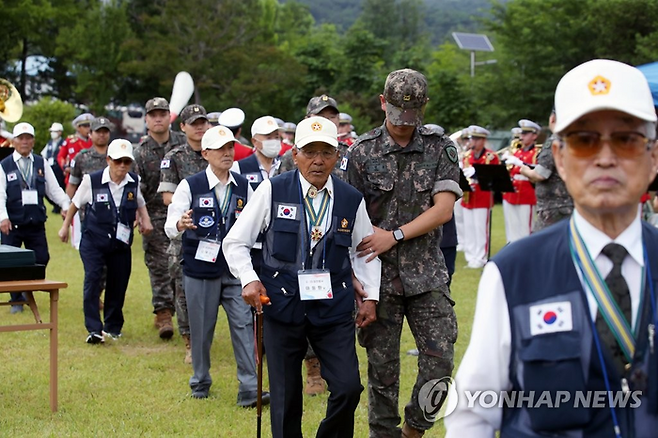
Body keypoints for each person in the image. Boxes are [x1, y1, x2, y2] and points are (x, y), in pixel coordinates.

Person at [445, 59, 658, 437]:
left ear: (653, 157)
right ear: (559, 157)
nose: (605, 157)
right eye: (583, 140)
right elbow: (473, 414)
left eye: (626, 139)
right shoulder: (513, 273)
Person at [223, 116, 381, 438]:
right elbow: (235, 242)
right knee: (285, 397)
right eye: (310, 152)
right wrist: (249, 279)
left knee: (349, 387)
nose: (318, 161)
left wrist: (372, 296)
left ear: (337, 156)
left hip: (332, 308)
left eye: (326, 152)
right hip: (281, 306)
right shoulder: (272, 190)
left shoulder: (351, 199)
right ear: (294, 155)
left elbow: (364, 251)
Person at [348, 68, 461, 438]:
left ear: (424, 106)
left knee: (440, 363)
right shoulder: (361, 153)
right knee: (383, 371)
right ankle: (383, 434)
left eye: (411, 116)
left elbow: (443, 209)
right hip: (376, 278)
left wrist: (394, 235)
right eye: (396, 114)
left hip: (427, 276)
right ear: (383, 103)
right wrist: (353, 280)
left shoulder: (439, 147)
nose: (402, 124)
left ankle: (414, 429)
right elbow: (346, 221)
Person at [164, 125, 267, 406]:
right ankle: (200, 381)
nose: (227, 153)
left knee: (244, 325)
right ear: (205, 152)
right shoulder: (190, 185)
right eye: (221, 148)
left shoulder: (245, 185)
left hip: (235, 271)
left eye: (231, 147)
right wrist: (180, 224)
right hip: (201, 270)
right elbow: (170, 226)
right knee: (201, 328)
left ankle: (249, 388)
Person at [59, 139, 152, 343]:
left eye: (126, 162)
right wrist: (65, 226)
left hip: (121, 243)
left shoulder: (133, 181)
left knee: (118, 283)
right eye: (118, 161)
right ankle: (93, 329)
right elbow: (75, 205)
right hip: (94, 240)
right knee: (93, 280)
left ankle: (113, 327)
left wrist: (145, 220)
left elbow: (140, 203)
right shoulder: (91, 181)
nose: (122, 166)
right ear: (108, 160)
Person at [158, 104, 211, 363]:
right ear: (183, 127)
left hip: (216, 233)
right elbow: (168, 197)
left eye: (203, 122)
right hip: (186, 230)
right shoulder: (175, 156)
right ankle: (190, 340)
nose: (200, 127)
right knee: (183, 288)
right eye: (194, 123)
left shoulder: (218, 151)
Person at [0, 122, 71, 314]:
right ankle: (16, 300)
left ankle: (26, 287)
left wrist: (65, 205)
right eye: (20, 138)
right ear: (13, 141)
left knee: (41, 258)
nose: (24, 142)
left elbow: (54, 190)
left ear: (33, 141)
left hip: (35, 221)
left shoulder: (41, 163)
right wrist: (3, 217)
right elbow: (0, 195)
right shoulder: (4, 165)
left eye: (28, 138)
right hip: (12, 223)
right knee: (10, 263)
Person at [133, 97, 187, 340]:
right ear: (146, 119)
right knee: (158, 266)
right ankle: (164, 313)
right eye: (153, 114)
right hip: (155, 216)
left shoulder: (184, 145)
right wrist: (138, 215)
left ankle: (184, 313)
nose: (158, 118)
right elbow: (136, 189)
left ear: (169, 117)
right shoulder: (140, 152)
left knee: (182, 266)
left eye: (162, 114)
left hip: (185, 216)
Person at [518, 109, 575, 230]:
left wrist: (525, 170)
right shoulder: (571, 139)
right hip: (568, 203)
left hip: (553, 208)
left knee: (542, 243)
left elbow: (541, 175)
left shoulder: (554, 141)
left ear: (552, 119)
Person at [461, 125, 500, 269]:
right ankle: (471, 256)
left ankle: (481, 257)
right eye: (472, 138)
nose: (473, 142)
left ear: (483, 140)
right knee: (469, 227)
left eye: (476, 139)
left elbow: (494, 177)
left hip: (483, 196)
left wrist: (476, 172)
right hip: (468, 196)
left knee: (480, 228)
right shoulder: (467, 156)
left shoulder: (491, 156)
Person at [501, 119, 541, 242]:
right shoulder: (516, 152)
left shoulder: (537, 153)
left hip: (526, 193)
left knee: (525, 229)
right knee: (511, 227)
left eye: (525, 134)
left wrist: (520, 163)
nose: (521, 136)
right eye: (521, 134)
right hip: (511, 192)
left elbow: (538, 170)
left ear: (534, 136)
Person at [230, 115, 281, 190]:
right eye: (268, 137)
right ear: (254, 141)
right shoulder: (238, 168)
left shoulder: (284, 166)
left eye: (276, 137)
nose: (273, 141)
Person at [57, 113, 94, 186]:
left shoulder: (93, 140)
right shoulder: (70, 140)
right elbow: (60, 156)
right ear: (78, 128)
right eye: (85, 126)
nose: (88, 129)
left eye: (89, 126)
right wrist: (65, 167)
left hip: (90, 176)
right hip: (73, 177)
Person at [41, 122, 65, 213]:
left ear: (60, 132)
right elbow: (43, 154)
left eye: (54, 131)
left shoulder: (63, 143)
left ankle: (59, 206)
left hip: (59, 169)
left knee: (59, 188)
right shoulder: (50, 143)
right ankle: (55, 205)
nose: (52, 133)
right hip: (50, 168)